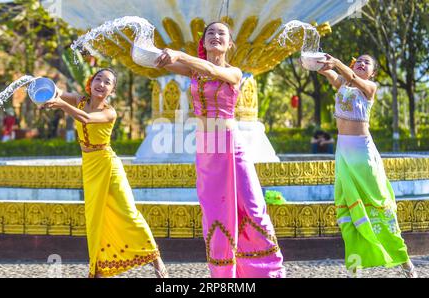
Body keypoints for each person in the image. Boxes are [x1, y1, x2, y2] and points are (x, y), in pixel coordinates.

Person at [155, 22, 285, 278]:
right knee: (215, 213)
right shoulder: (195, 72)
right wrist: (154, 53)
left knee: (252, 207)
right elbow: (161, 62)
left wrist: (180, 54)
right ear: (203, 42)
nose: (215, 36)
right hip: (206, 147)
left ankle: (267, 272)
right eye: (210, 33)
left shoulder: (235, 73)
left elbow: (211, 69)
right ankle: (224, 275)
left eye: (221, 33)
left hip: (229, 144)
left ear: (229, 43)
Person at [40, 68, 168, 278]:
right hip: (89, 167)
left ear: (112, 90)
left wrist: (62, 105)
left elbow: (86, 119)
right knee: (96, 218)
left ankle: (155, 258)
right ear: (91, 83)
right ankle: (100, 269)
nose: (101, 84)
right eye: (98, 79)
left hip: (108, 165)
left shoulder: (110, 112)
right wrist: (41, 87)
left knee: (128, 212)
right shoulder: (80, 99)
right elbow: (58, 92)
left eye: (107, 82)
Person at [314, 54, 417, 277]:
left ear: (372, 73)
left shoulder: (369, 87)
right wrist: (314, 61)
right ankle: (354, 269)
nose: (361, 63)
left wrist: (338, 63)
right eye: (358, 60)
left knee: (380, 205)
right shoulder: (342, 83)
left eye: (366, 62)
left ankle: (405, 262)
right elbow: (330, 73)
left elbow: (347, 74)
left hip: (363, 155)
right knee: (348, 209)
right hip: (343, 153)